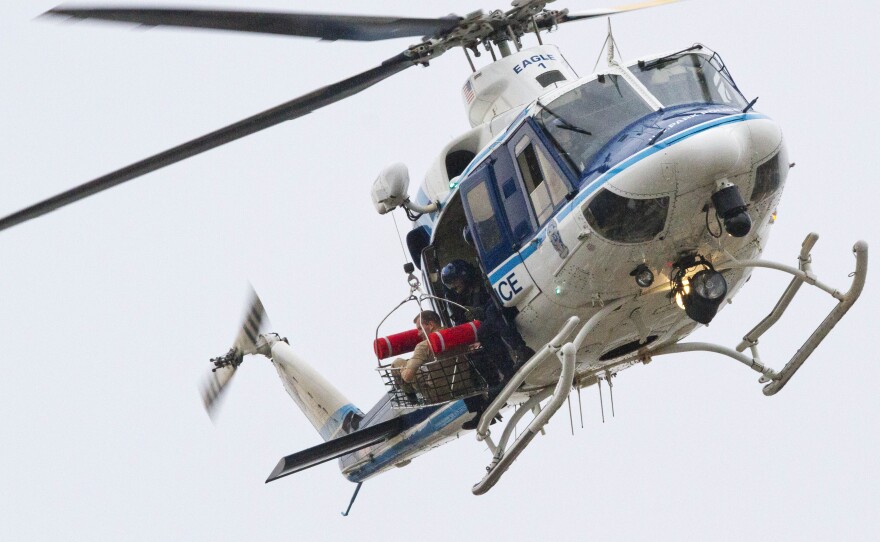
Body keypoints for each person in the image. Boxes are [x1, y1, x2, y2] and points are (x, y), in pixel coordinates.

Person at [391, 310, 470, 404]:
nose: (418, 333)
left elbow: (408, 377)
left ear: (431, 324)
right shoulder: (456, 335)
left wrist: (403, 370)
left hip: (437, 394)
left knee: (397, 362)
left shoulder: (424, 346)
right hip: (466, 385)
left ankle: (413, 400)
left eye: (420, 328)